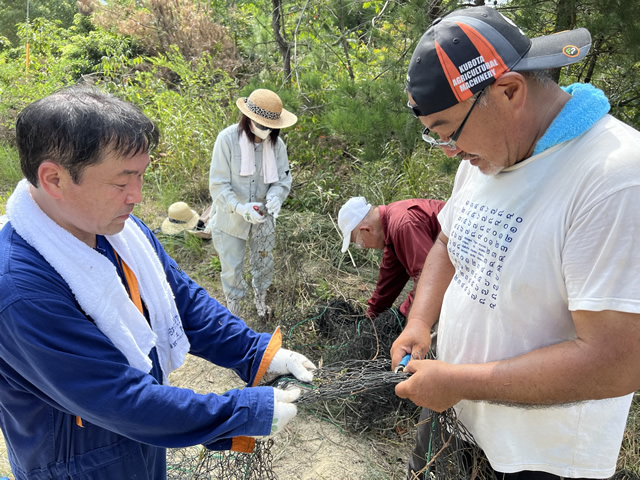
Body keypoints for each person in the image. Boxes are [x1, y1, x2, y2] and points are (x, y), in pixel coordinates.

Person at [0, 85, 316, 480]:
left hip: (144, 442)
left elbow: (182, 301)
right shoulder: (19, 289)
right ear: (54, 179)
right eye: (122, 182)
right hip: (80, 465)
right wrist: (242, 412)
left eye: (142, 176)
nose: (137, 195)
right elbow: (117, 399)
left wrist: (257, 354)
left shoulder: (120, 232)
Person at [392, 6, 640, 480]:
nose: (451, 153)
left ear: (508, 91)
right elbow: (448, 239)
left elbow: (617, 362)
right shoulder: (488, 154)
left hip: (538, 458)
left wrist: (460, 381)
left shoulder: (615, 177)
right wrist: (421, 322)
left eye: (449, 131)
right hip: (457, 417)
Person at [209, 88, 296, 321]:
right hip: (231, 217)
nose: (265, 131)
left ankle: (261, 302)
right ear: (249, 119)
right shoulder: (227, 140)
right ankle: (233, 312)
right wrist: (239, 208)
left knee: (263, 261)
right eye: (261, 125)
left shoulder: (277, 146)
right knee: (232, 266)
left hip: (263, 216)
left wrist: (276, 196)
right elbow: (218, 184)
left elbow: (282, 179)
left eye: (270, 127)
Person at [338, 196, 445, 319]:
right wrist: (372, 316)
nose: (364, 246)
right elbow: (389, 279)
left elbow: (430, 278)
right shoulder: (391, 227)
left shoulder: (403, 224)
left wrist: (401, 315)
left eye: (358, 243)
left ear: (367, 230)